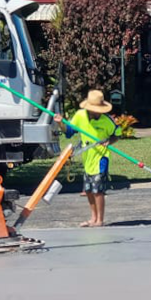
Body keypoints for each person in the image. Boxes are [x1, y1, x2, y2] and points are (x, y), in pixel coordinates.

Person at [55, 90, 121, 228]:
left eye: (99, 110)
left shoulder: (107, 120)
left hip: (100, 159)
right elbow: (69, 132)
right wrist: (61, 123)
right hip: (87, 159)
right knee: (89, 190)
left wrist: (110, 140)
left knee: (98, 191)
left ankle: (100, 220)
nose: (98, 113)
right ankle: (93, 218)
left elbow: (117, 133)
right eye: (95, 110)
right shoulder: (80, 116)